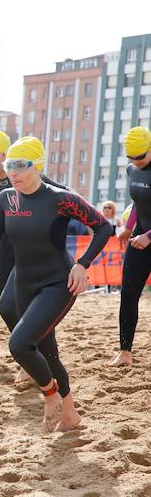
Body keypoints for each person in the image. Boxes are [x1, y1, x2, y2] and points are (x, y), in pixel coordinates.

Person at [0, 136, 112, 431]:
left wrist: (82, 265)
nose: (12, 172)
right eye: (9, 165)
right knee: (48, 352)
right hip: (25, 283)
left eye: (19, 166)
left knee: (19, 344)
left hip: (58, 283)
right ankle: (70, 414)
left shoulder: (60, 198)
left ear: (37, 166)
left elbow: (103, 227)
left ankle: (51, 395)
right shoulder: (6, 199)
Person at [110, 126, 151, 368]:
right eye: (131, 158)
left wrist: (149, 235)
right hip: (139, 241)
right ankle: (125, 352)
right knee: (128, 295)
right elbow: (137, 203)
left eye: (140, 156)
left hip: (147, 238)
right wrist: (129, 227)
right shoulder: (132, 170)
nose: (136, 161)